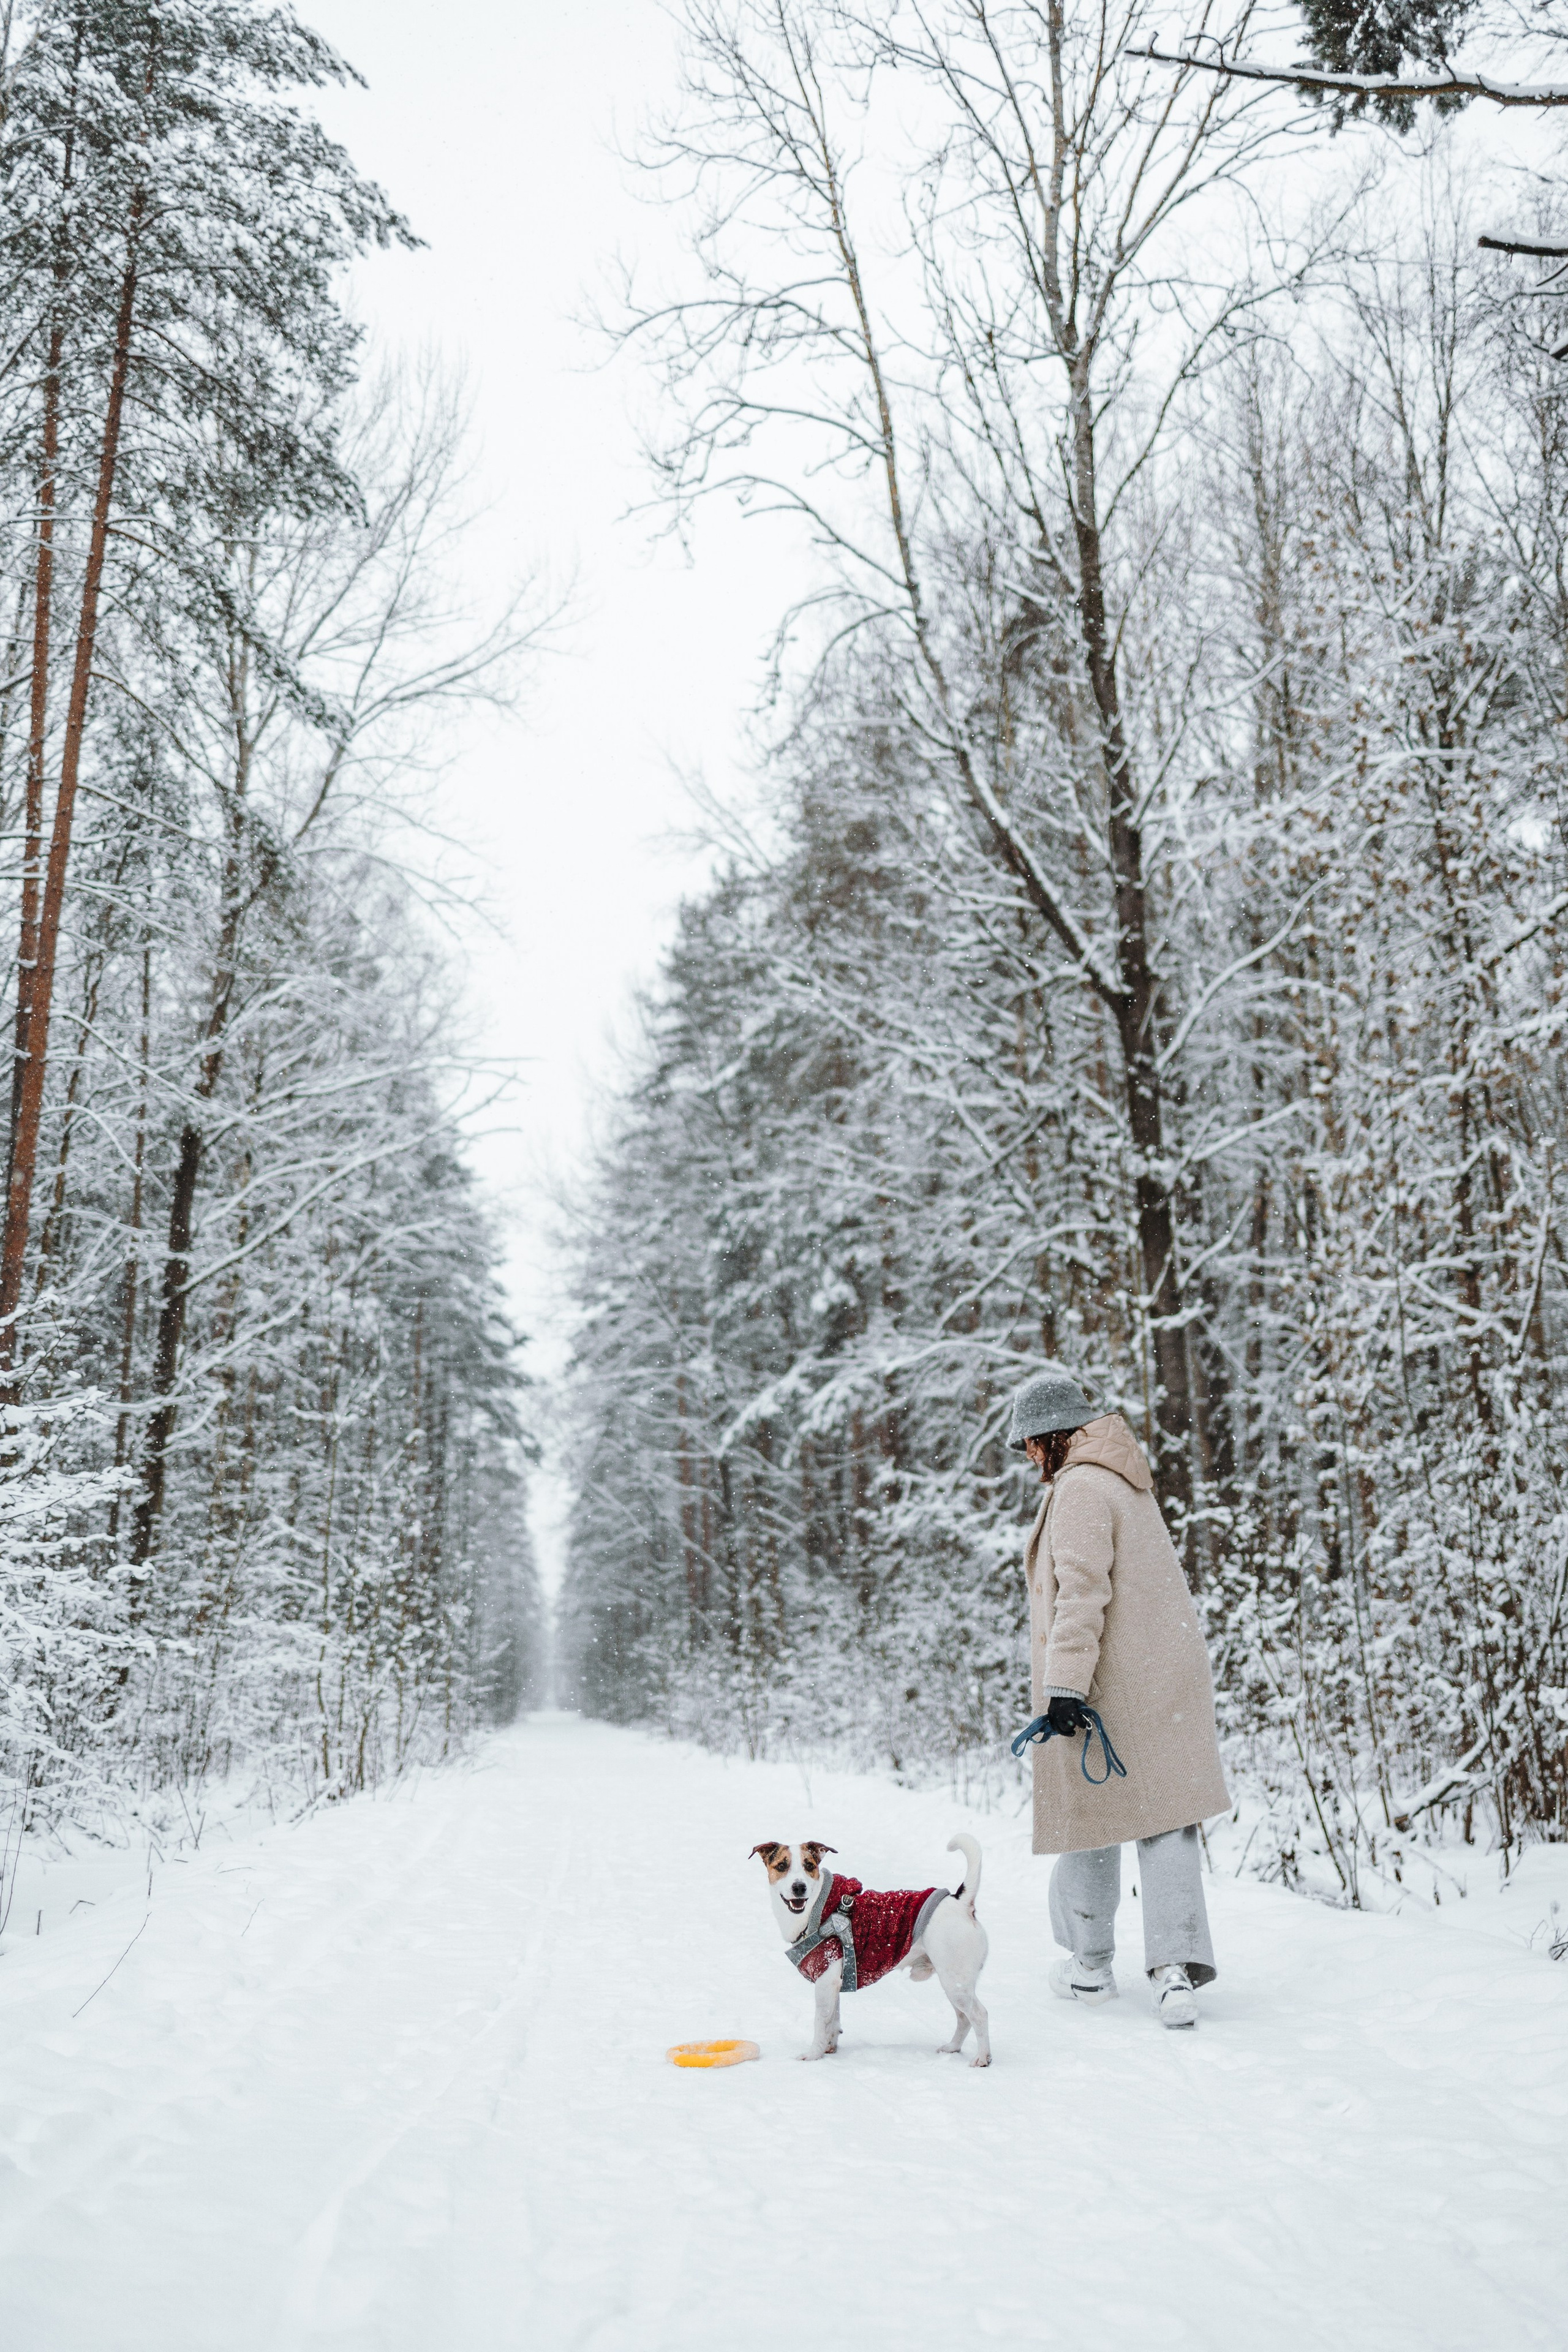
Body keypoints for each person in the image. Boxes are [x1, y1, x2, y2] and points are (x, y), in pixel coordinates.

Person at [1008, 1365, 1230, 2030]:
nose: (1026, 1457)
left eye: (1027, 1443)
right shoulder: (1123, 1479)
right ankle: (1174, 1975)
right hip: (1161, 1676)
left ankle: (1090, 1965)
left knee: (1089, 1818)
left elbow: (1081, 1592)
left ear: (1052, 1436)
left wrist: (1064, 1686)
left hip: (1110, 1679)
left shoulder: (1079, 1488)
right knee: (1165, 1816)